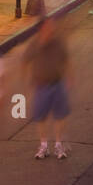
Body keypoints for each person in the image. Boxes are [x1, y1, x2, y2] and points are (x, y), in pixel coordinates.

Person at [23, 17, 70, 161]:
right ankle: (43, 145)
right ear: (42, 28)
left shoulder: (58, 42)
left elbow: (66, 60)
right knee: (41, 117)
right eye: (49, 26)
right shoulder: (35, 44)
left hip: (57, 83)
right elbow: (25, 62)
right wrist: (27, 81)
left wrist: (69, 78)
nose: (52, 28)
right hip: (41, 85)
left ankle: (58, 145)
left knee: (60, 115)